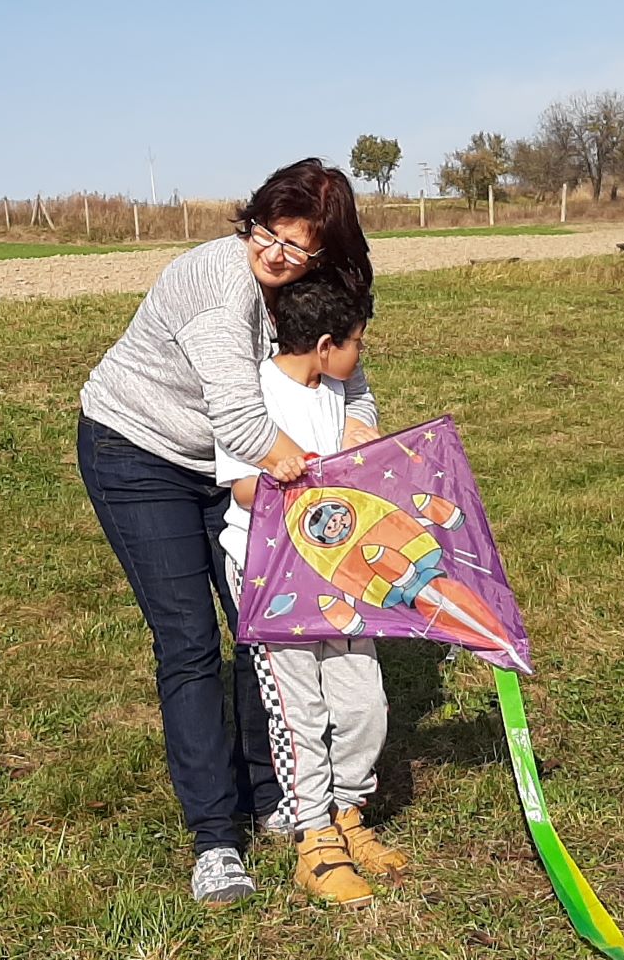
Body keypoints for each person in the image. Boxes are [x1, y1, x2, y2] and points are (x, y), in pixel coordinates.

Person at [75, 158, 376, 907]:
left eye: (298, 244)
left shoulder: (311, 284)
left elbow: (349, 374)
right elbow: (241, 420)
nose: (276, 252)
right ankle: (215, 837)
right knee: (189, 641)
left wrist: (360, 438)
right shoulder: (220, 283)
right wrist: (323, 479)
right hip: (141, 452)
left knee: (260, 622)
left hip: (237, 466)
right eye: (267, 232)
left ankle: (272, 794)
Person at [214, 276, 411, 909]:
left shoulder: (334, 393)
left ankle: (348, 812)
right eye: (358, 342)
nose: (362, 354)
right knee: (299, 708)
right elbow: (241, 488)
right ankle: (313, 837)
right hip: (271, 576)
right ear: (326, 345)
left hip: (338, 572)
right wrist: (279, 472)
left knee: (362, 700)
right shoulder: (253, 395)